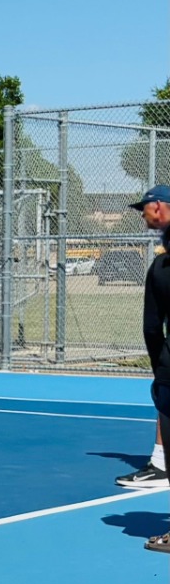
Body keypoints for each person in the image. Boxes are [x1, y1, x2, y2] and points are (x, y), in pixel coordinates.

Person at [120, 185, 170, 497]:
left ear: (161, 207)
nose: (143, 215)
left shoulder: (161, 269)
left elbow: (152, 328)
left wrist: (160, 369)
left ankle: (162, 464)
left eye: (146, 208)